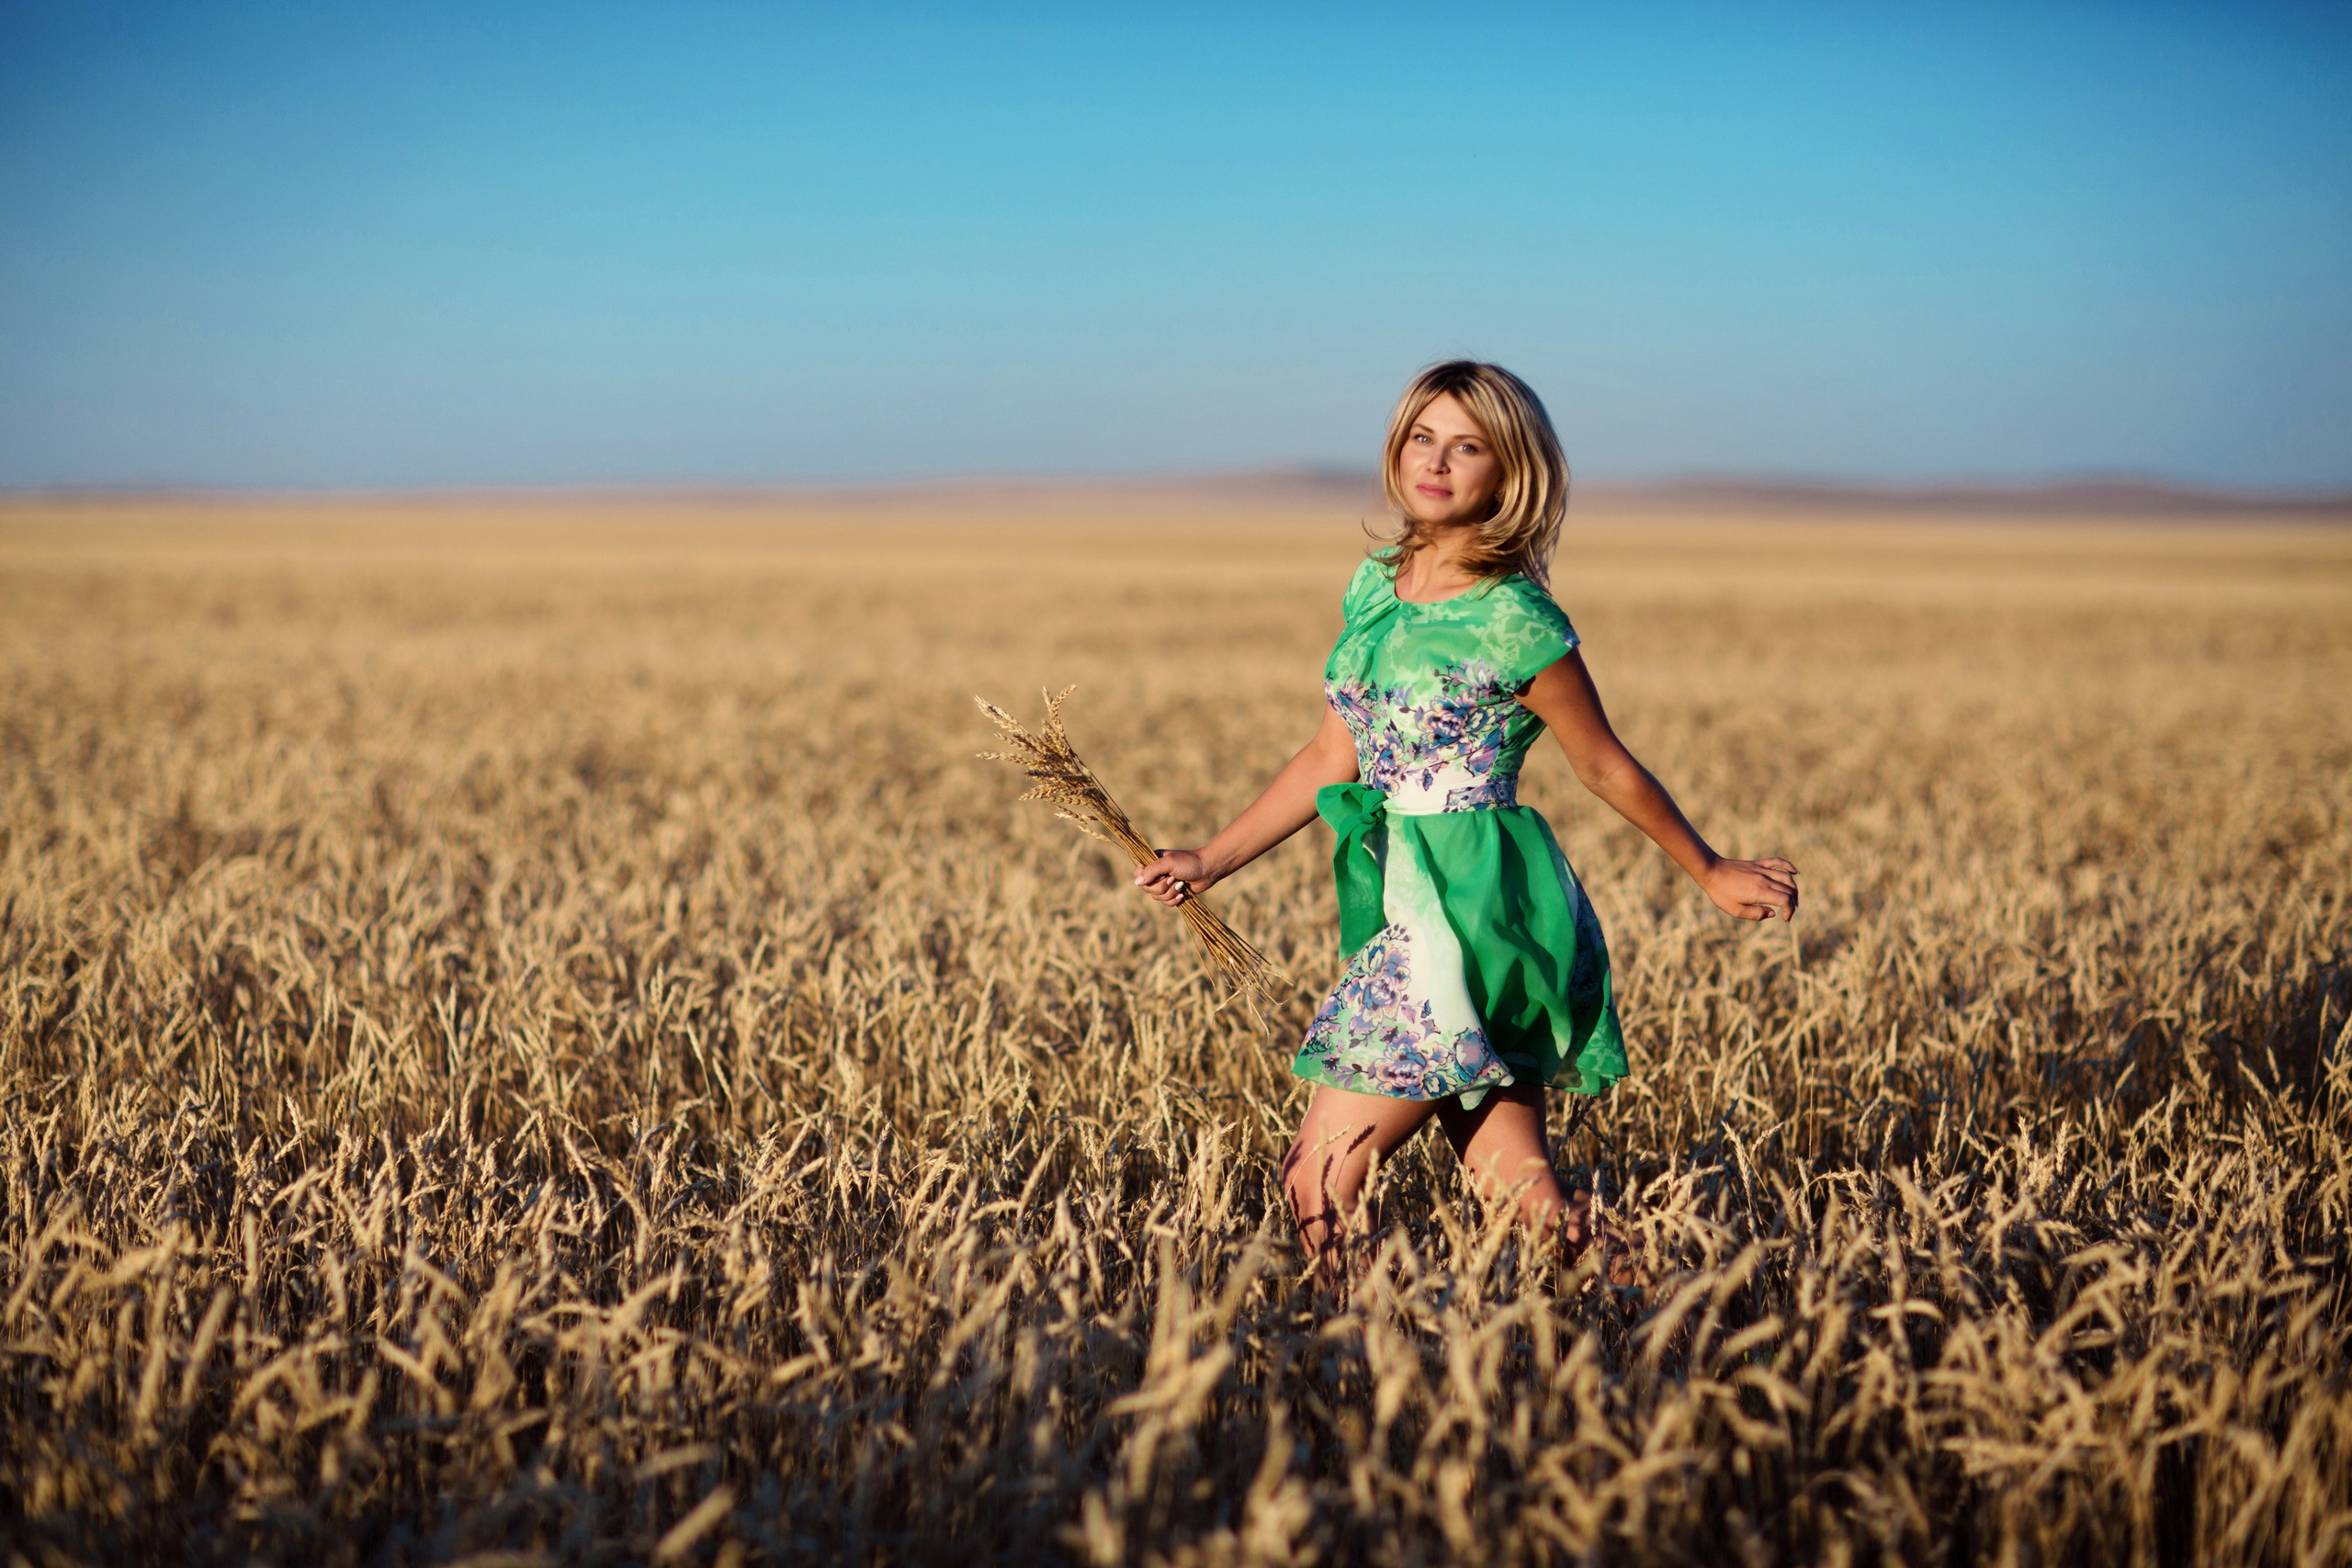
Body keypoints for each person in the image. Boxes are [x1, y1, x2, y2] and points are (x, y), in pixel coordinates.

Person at [1131, 360, 1799, 1275]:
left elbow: (1600, 761)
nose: (1436, 462)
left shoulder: (1515, 618)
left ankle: (1349, 1380)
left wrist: (1709, 867)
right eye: (1422, 438)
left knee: (1317, 1179)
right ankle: (1687, 1320)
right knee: (1523, 1197)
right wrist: (1212, 859)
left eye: (1467, 446)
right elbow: (1333, 756)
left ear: (1509, 473)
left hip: (1469, 910)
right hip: (1404, 894)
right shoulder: (1376, 583)